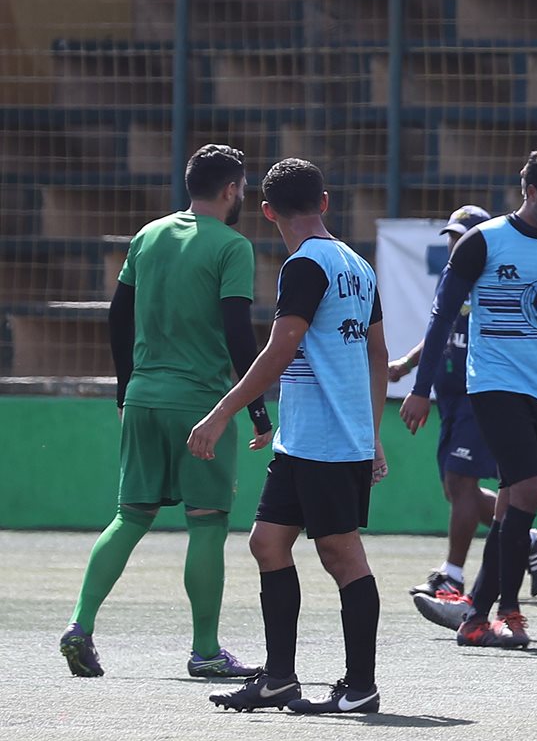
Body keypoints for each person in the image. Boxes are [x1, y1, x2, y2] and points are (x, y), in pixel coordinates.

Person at [59, 143, 269, 680]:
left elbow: (117, 315)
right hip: (201, 405)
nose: (242, 195)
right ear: (230, 190)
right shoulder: (232, 247)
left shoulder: (148, 236)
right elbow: (238, 331)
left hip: (144, 398)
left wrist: (127, 389)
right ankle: (205, 651)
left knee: (130, 516)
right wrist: (256, 407)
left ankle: (80, 625)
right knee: (206, 522)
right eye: (242, 188)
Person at [190, 157, 390, 713]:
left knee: (341, 554)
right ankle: (279, 678)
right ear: (325, 202)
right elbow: (378, 355)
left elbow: (280, 351)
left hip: (323, 440)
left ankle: (360, 686)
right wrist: (372, 432)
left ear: (267, 210)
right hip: (310, 439)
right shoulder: (358, 264)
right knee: (268, 543)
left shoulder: (304, 265)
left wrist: (223, 411)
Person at [400, 147, 537, 650]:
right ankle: (482, 609)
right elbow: (442, 318)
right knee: (527, 489)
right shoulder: (482, 242)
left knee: (516, 498)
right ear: (529, 192)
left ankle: (496, 609)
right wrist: (419, 389)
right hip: (493, 385)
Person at [389, 204, 537, 600]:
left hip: (479, 394)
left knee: (462, 482)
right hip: (450, 397)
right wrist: (408, 366)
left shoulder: (494, 279)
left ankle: (453, 576)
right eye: (451, 236)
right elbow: (441, 328)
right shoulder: (456, 276)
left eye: (462, 237)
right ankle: (529, 539)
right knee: (455, 487)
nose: (454, 244)